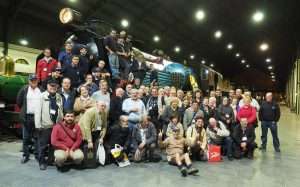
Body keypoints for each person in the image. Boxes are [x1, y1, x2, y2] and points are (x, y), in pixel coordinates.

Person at [35, 79, 64, 170]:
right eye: (51, 85)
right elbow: (37, 112)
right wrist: (38, 125)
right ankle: (42, 162)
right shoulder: (41, 96)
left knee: (53, 145)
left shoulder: (59, 96)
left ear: (57, 87)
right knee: (43, 146)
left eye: (55, 86)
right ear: (47, 86)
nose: (53, 87)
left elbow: (61, 110)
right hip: (45, 126)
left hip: (56, 126)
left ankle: (50, 160)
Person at [17, 74, 41, 164]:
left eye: (35, 80)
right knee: (26, 137)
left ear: (37, 81)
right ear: (29, 81)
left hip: (37, 117)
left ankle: (37, 155)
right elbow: (19, 102)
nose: (33, 81)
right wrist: (24, 111)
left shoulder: (41, 90)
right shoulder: (24, 89)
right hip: (27, 117)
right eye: (32, 80)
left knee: (37, 137)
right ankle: (25, 155)